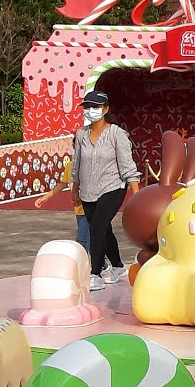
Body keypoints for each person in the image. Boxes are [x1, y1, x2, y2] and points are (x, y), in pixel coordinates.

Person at [72, 89, 141, 291]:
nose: (90, 110)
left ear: (105, 109)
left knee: (97, 228)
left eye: (95, 107)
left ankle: (95, 274)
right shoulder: (81, 134)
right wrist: (75, 188)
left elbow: (128, 166)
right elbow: (77, 164)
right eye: (87, 107)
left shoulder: (116, 134)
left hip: (113, 187)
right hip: (88, 190)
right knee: (104, 229)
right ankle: (118, 266)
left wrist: (137, 195)